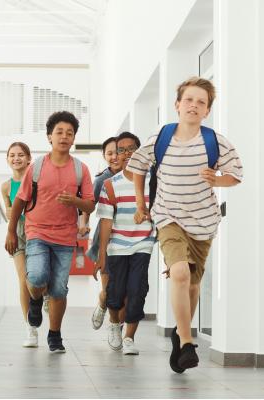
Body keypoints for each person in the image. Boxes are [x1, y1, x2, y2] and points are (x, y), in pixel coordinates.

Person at [127, 77, 243, 372]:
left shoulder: (215, 141)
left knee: (192, 285)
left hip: (203, 222)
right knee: (179, 273)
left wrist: (217, 179)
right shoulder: (161, 137)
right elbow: (137, 168)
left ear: (207, 111)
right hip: (168, 217)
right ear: (177, 105)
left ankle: (181, 337)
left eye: (201, 102)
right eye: (189, 100)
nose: (194, 105)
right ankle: (189, 342)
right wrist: (142, 204)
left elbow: (236, 175)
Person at [5, 111, 95, 352]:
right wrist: (11, 232)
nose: (64, 136)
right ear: (49, 137)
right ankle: (35, 300)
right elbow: (19, 202)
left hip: (65, 237)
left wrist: (74, 202)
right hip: (36, 232)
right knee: (35, 277)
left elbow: (90, 204)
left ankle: (54, 335)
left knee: (58, 288)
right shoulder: (36, 168)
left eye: (69, 133)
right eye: (59, 132)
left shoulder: (80, 169)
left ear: (74, 138)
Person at [95, 131, 155, 356]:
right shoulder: (110, 185)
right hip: (117, 246)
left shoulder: (153, 182)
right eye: (122, 150)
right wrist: (102, 254)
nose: (127, 153)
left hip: (143, 243)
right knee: (116, 292)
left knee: (137, 290)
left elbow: (161, 215)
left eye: (132, 149)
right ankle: (114, 324)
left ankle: (129, 337)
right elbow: (106, 222)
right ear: (116, 155)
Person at [0, 142, 36, 347]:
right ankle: (30, 327)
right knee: (23, 281)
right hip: (18, 233)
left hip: (37, 230)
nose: (16, 158)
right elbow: (8, 210)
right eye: (12, 155)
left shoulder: (36, 181)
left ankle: (42, 296)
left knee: (37, 279)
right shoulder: (5, 186)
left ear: (29, 158)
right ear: (7, 159)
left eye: (21, 155)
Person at [87, 136, 123, 330]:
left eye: (118, 152)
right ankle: (103, 305)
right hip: (106, 239)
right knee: (109, 289)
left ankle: (118, 327)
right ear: (104, 156)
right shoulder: (102, 179)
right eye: (109, 153)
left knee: (125, 291)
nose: (114, 157)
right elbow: (88, 204)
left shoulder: (136, 177)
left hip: (128, 238)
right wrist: (83, 223)